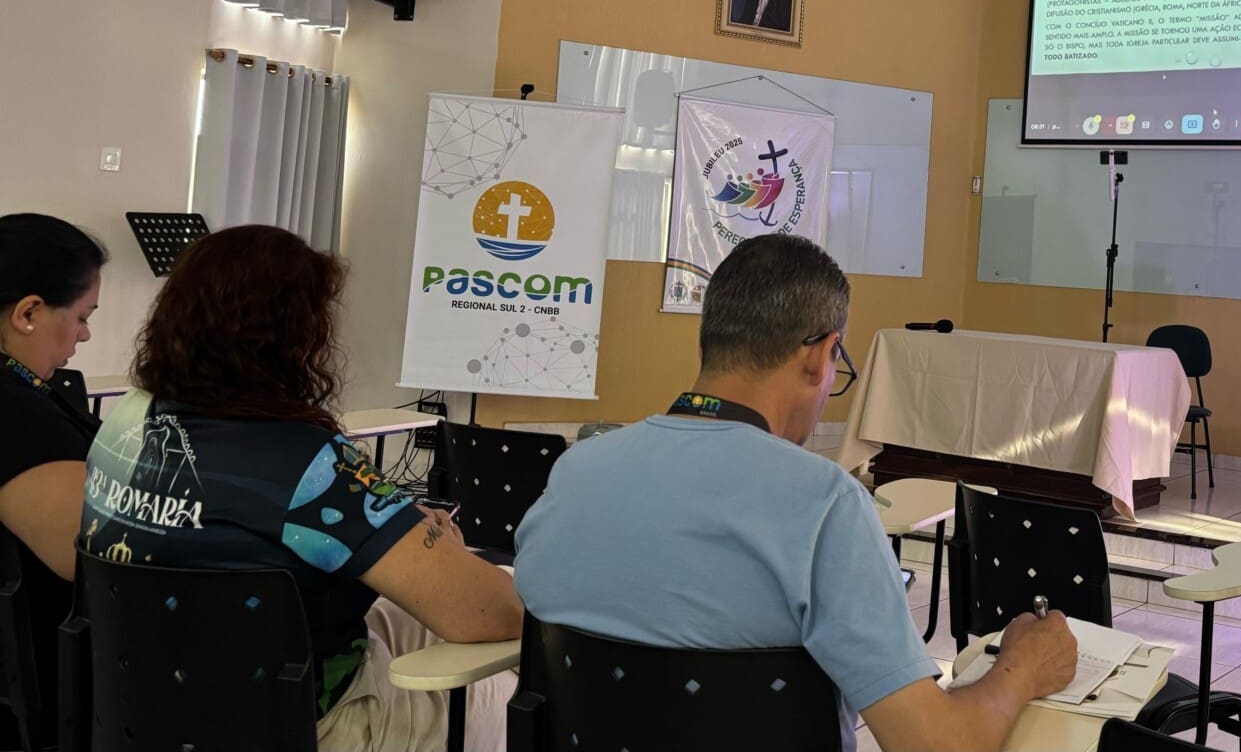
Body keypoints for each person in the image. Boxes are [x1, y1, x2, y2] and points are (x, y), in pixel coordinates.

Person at [515, 234, 1077, 752]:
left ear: (709, 342)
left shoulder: (575, 473)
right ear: (818, 355)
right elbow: (935, 744)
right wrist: (1022, 667)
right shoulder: (826, 505)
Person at [78, 225, 522, 752]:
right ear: (295, 337)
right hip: (299, 726)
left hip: (147, 708)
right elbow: (493, 613)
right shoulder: (310, 464)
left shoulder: (122, 423)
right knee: (499, 686)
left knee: (406, 618)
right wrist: (437, 544)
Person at [0, 213, 106, 743]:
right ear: (28, 313)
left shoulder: (27, 395)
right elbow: (86, 553)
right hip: (52, 689)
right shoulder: (16, 413)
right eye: (82, 316)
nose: (84, 334)